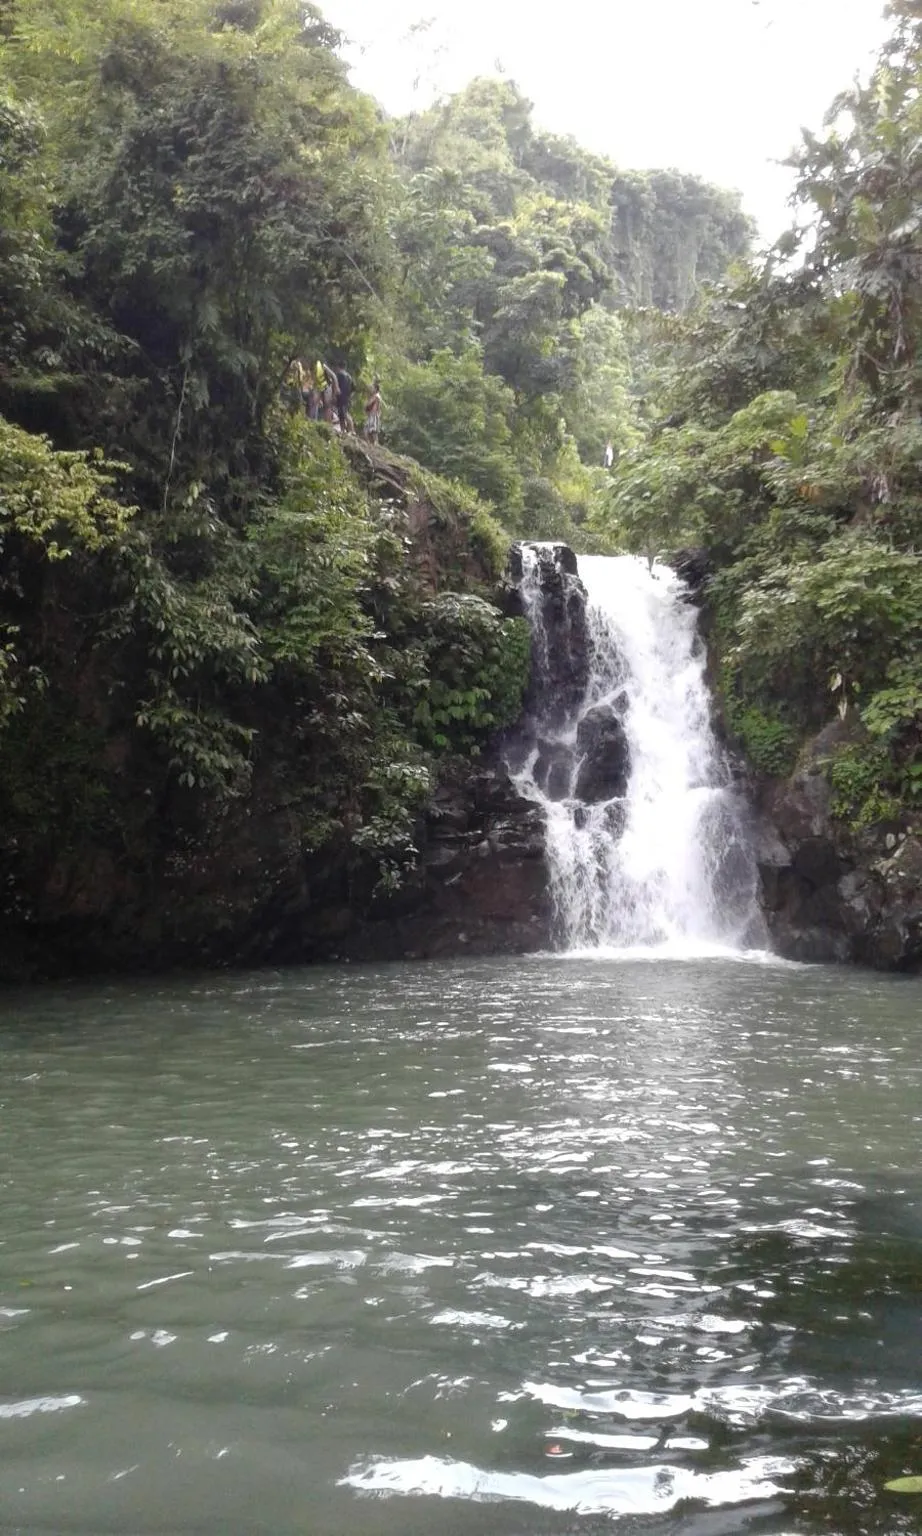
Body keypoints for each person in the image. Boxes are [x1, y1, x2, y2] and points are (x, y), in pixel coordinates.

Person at [334, 365, 354, 433]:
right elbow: (354, 388)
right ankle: (343, 431)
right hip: (347, 398)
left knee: (344, 414)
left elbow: (336, 386)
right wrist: (350, 396)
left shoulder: (339, 375)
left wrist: (335, 395)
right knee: (341, 415)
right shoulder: (349, 376)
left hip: (341, 397)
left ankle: (351, 430)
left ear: (338, 367)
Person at [364, 377, 382, 444]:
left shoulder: (376, 396)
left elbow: (368, 404)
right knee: (367, 431)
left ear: (375, 389)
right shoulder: (373, 396)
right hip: (371, 415)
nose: (371, 389)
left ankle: (376, 444)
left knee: (373, 431)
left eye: (372, 388)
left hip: (374, 415)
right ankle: (370, 444)